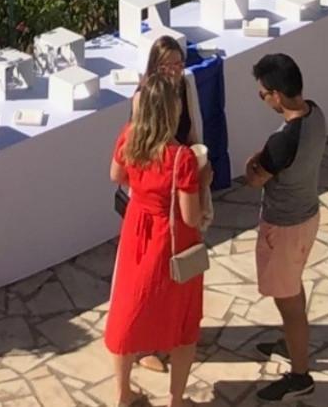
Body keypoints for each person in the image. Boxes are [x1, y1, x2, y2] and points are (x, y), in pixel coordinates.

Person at [105, 74, 203, 407]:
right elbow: (191, 217)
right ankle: (176, 399)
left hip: (136, 232)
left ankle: (124, 393)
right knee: (182, 321)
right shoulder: (182, 158)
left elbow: (116, 176)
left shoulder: (129, 137)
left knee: (127, 311)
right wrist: (205, 182)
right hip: (172, 241)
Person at [246, 53, 326, 402]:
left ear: (277, 94)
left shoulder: (282, 142)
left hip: (284, 226)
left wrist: (253, 161)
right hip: (308, 215)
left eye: (262, 94)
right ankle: (293, 343)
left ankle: (299, 374)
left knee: (288, 301)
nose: (263, 99)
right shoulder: (316, 112)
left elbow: (254, 177)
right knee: (294, 288)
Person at [131, 36, 208, 374]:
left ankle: (166, 334)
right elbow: (139, 146)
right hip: (160, 196)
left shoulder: (185, 88)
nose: (177, 71)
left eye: (179, 63)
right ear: (155, 67)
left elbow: (194, 130)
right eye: (169, 65)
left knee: (171, 277)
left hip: (182, 176)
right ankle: (144, 345)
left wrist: (198, 160)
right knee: (152, 278)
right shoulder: (144, 98)